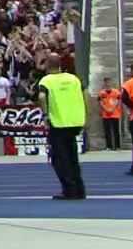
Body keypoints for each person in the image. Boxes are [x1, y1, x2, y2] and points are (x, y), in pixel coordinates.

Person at [36, 56, 87, 200]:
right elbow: (85, 94)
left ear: (47, 65)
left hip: (58, 122)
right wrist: (85, 113)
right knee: (72, 157)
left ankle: (69, 189)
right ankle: (79, 189)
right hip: (74, 121)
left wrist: (45, 115)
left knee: (59, 159)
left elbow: (41, 97)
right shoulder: (73, 78)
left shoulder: (46, 81)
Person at [98, 76, 122, 151]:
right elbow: (100, 102)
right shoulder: (101, 93)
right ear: (104, 83)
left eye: (109, 82)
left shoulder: (116, 92)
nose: (108, 83)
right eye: (106, 82)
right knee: (107, 131)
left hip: (115, 113)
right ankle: (109, 146)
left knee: (116, 130)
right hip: (106, 114)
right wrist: (106, 109)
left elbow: (117, 101)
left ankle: (117, 146)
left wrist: (112, 108)